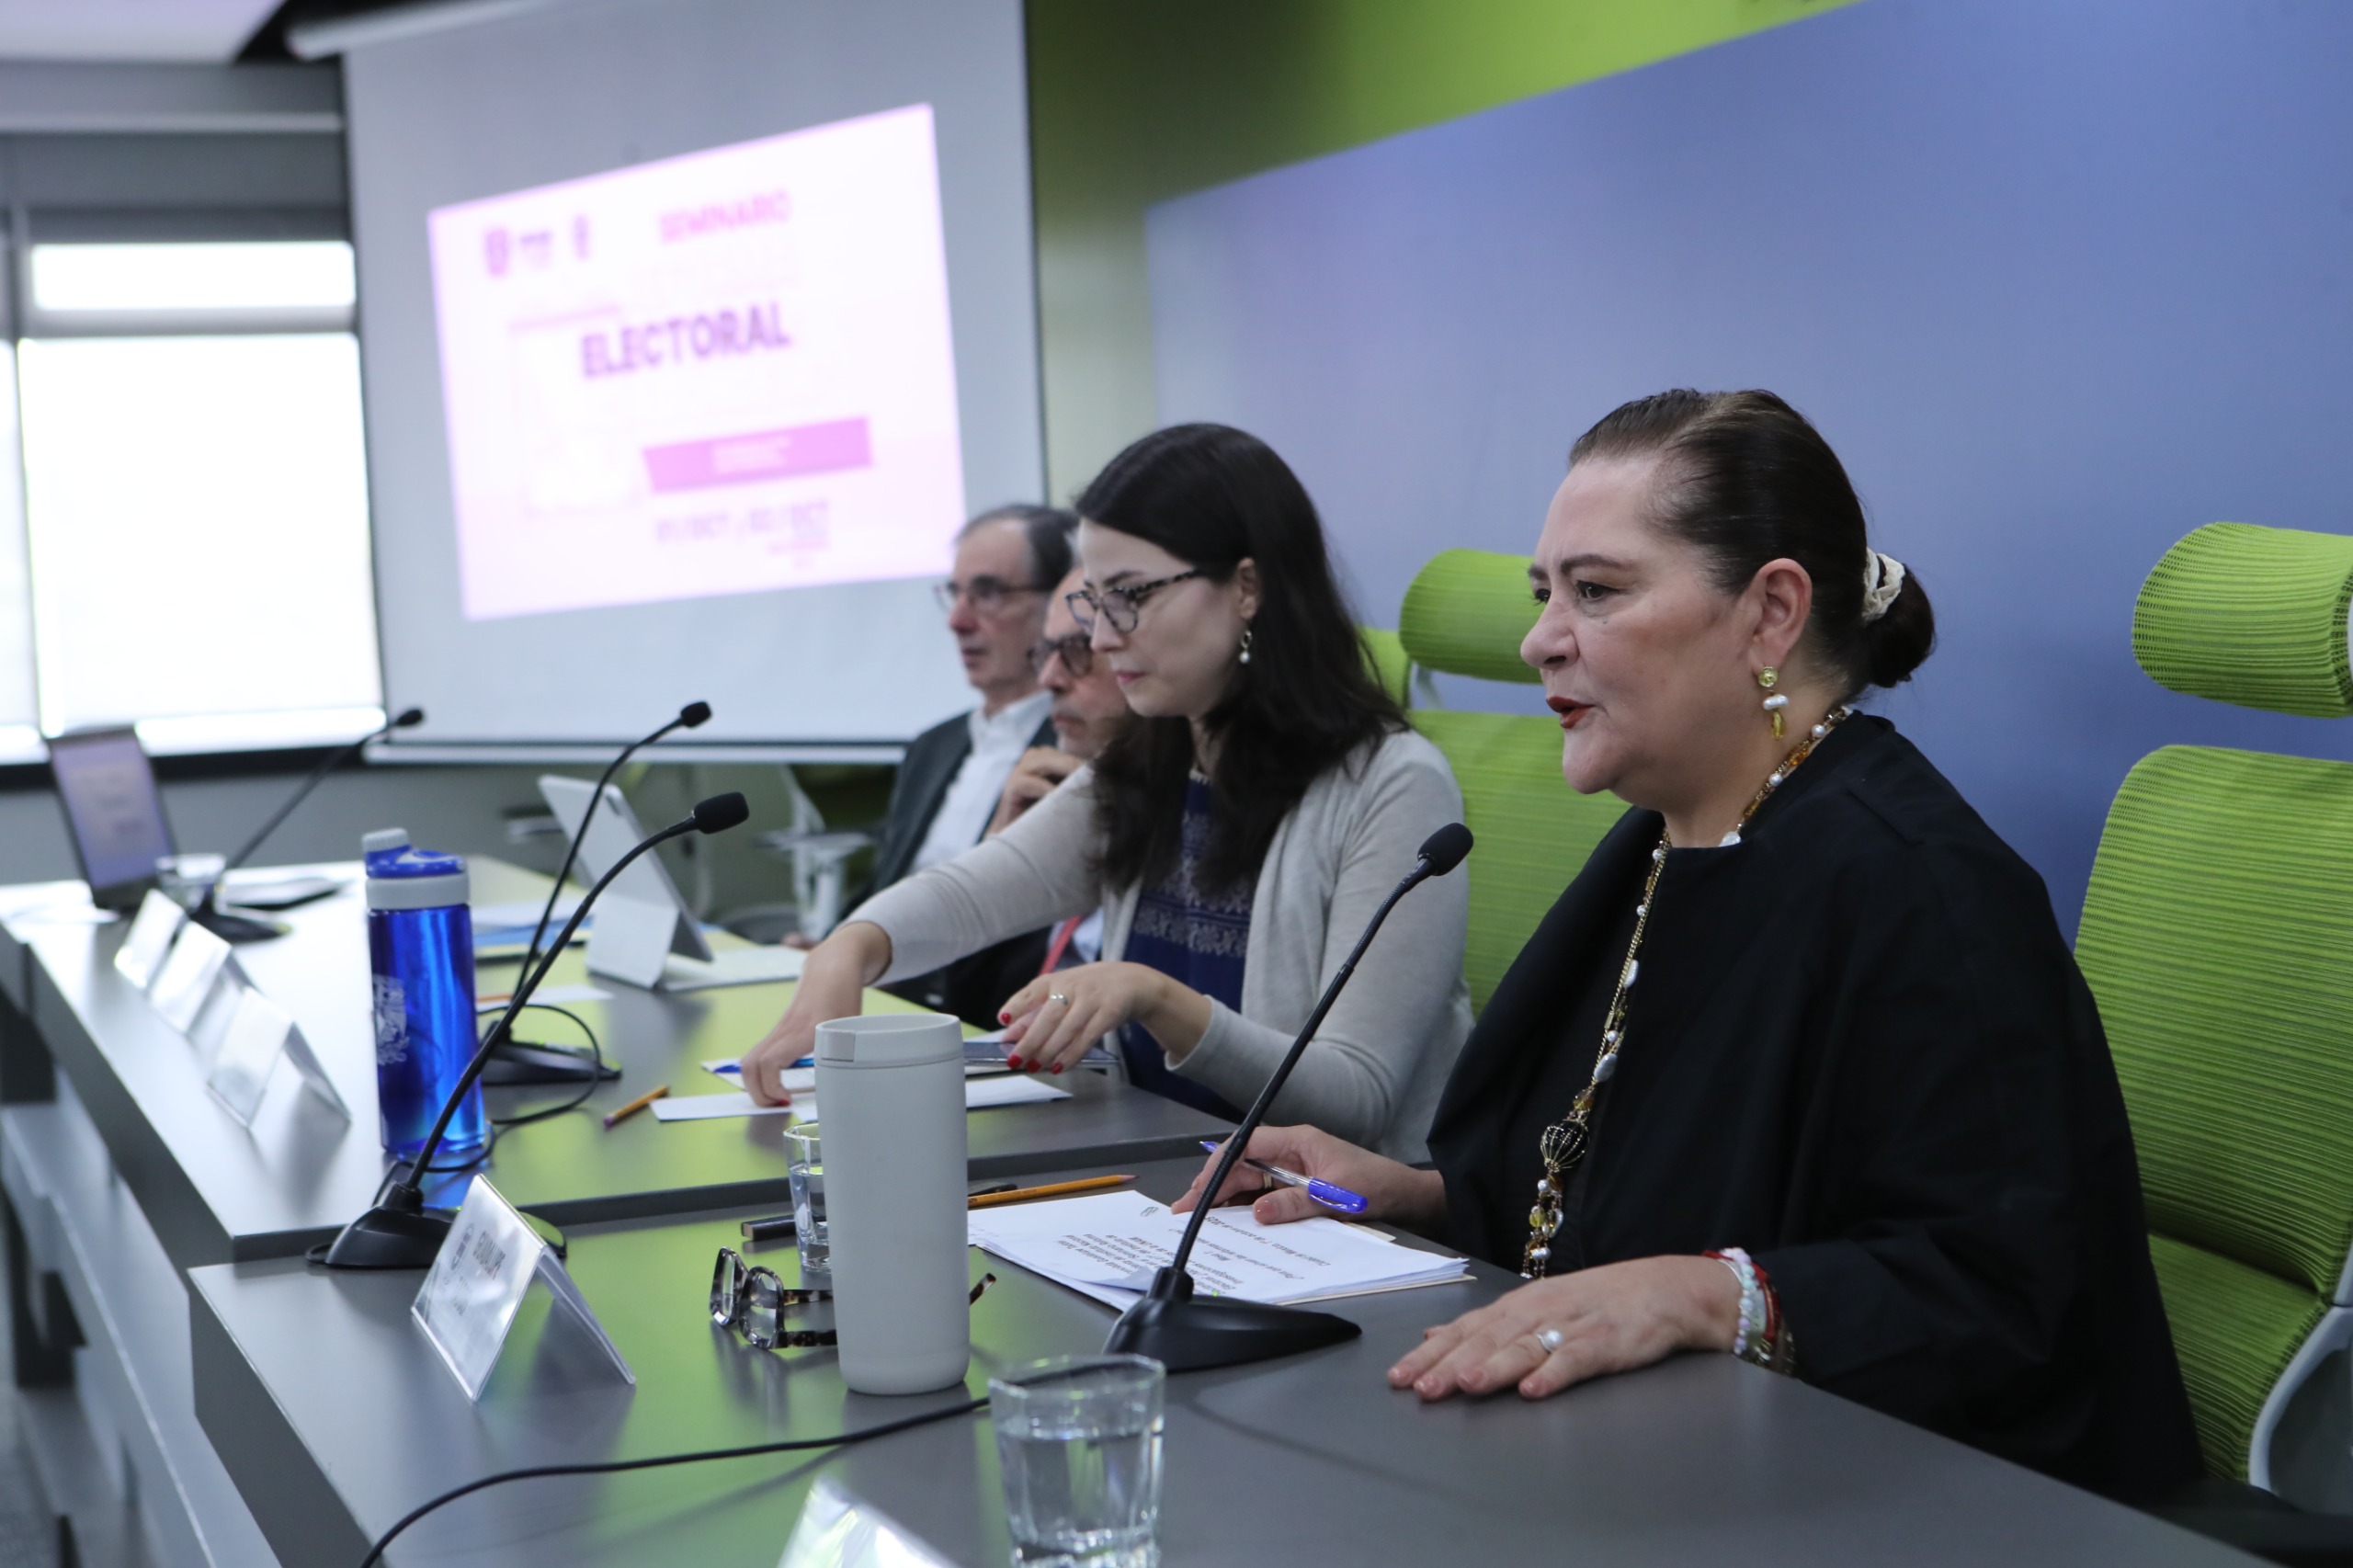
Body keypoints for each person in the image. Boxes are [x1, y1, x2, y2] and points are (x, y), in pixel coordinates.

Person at [1176, 390, 2200, 1503]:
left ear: (1768, 613)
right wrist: (1400, 1195)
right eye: (1542, 592)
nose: (1537, 638)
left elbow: (2007, 1299)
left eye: (1596, 591)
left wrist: (1712, 1293)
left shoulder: (1923, 888)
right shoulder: (1663, 843)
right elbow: (1594, 1183)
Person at [743, 424, 1473, 1159]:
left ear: (1246, 587)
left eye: (1130, 596)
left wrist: (1153, 996)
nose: (1100, 637)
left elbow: (1356, 1099)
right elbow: (966, 898)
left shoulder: (1392, 785)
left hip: (1332, 1227)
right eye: (1095, 601)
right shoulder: (1153, 758)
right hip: (1163, 1174)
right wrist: (844, 954)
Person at [847, 505, 1074, 1021]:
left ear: (1061, 601)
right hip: (882, 999)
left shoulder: (1073, 751)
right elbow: (887, 883)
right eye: (956, 594)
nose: (958, 620)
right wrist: (828, 947)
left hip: (985, 1018)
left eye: (989, 592)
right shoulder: (933, 746)